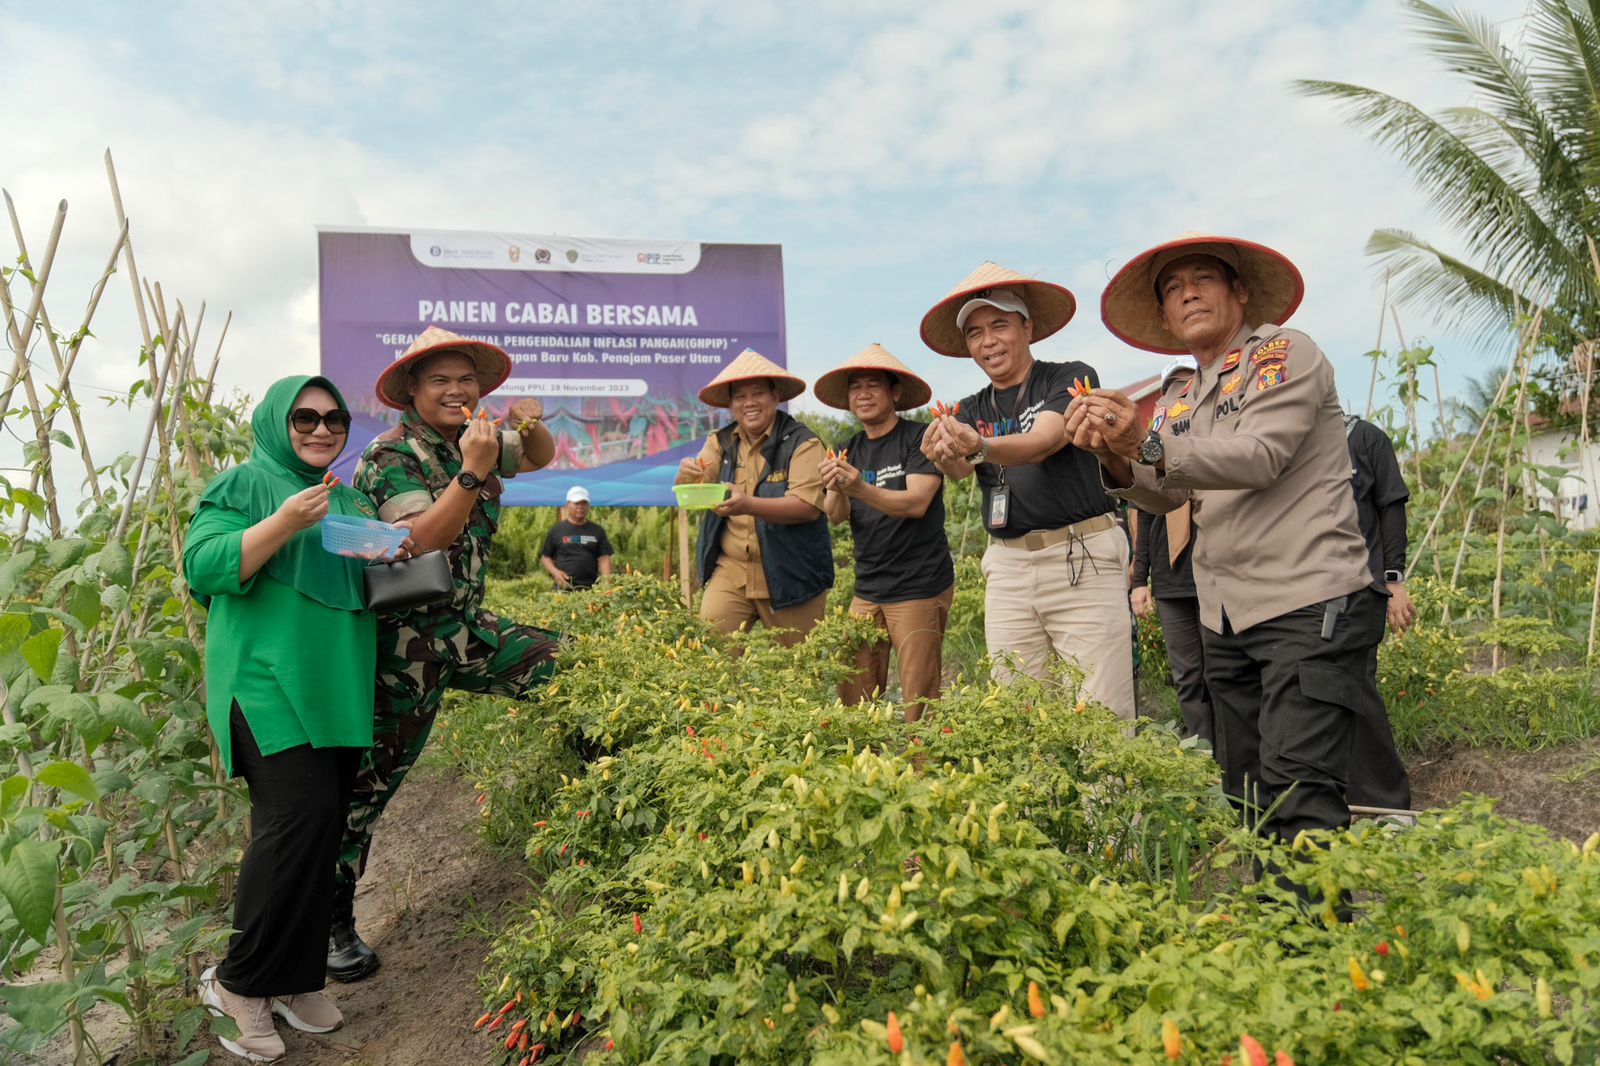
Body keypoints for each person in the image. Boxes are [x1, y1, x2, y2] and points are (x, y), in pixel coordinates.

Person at [1071, 233, 1395, 850]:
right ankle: (1273, 931)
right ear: (1166, 316)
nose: (1187, 292)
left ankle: (1313, 937)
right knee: (1246, 791)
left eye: (1202, 279)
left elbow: (1260, 456)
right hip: (1223, 614)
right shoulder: (1178, 398)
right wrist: (1116, 458)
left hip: (1307, 601)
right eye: (1172, 288)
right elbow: (1164, 494)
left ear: (1239, 291)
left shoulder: (1283, 354)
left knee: (1298, 791)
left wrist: (1139, 443)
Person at [332, 327, 560, 981]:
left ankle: (593, 789)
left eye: (466, 379)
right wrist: (472, 474)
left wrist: (531, 425)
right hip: (406, 647)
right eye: (440, 380)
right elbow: (418, 542)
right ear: (412, 391)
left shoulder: (479, 437)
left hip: (466, 627)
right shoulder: (391, 456)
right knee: (367, 789)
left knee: (570, 665)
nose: (457, 390)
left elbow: (538, 456)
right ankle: (331, 923)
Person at [185, 376, 400, 1060]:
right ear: (278, 421)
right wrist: (284, 521)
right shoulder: (242, 485)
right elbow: (203, 565)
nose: (321, 428)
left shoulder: (350, 496)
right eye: (305, 416)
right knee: (294, 823)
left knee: (320, 831)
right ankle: (238, 981)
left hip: (332, 686)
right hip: (265, 684)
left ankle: (292, 977)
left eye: (335, 417)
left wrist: (384, 551)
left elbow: (361, 581)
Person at [917, 262, 1135, 717]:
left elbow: (1044, 441)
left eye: (1000, 324)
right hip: (1009, 564)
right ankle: (1039, 792)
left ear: (1028, 328)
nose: (988, 341)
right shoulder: (969, 406)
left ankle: (1108, 792)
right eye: (975, 333)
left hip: (1081, 554)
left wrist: (979, 444)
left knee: (1102, 712)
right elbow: (958, 470)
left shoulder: (1068, 377)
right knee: (1019, 710)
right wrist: (944, 450)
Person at [814, 344, 955, 721]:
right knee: (853, 691)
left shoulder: (917, 438)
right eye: (855, 386)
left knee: (920, 701)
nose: (862, 393)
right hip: (868, 588)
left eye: (873, 385)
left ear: (895, 393)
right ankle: (865, 773)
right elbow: (836, 515)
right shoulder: (847, 448)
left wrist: (860, 488)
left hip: (918, 586)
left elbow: (916, 503)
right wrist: (836, 488)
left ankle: (926, 773)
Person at [675, 348, 832, 646]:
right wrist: (685, 475)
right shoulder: (720, 441)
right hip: (731, 569)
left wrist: (747, 504)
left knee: (798, 670)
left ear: (775, 396)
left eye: (758, 393)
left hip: (792, 570)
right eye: (739, 397)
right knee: (710, 656)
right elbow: (696, 486)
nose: (749, 403)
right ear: (731, 405)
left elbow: (807, 507)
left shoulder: (803, 442)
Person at [1129, 356, 1213, 743]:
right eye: (1172, 390)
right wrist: (1139, 579)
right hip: (1171, 577)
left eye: (1187, 386)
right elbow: (1144, 517)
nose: (1179, 396)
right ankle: (1204, 751)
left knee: (1224, 669)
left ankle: (1235, 756)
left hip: (1215, 570)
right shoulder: (1152, 452)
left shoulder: (1216, 444)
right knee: (1187, 674)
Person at [1344, 414, 1416, 810]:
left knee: (1356, 688)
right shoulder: (1291, 438)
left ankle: (1386, 804)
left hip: (1362, 586)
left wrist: (1393, 581)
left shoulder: (1366, 438)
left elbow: (1391, 506)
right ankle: (1346, 798)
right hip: (1305, 591)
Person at [541, 485, 614, 590]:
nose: (580, 507)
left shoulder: (597, 531)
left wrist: (607, 583)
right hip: (563, 588)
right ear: (568, 505)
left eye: (584, 503)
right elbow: (546, 557)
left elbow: (604, 558)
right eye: (576, 503)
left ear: (588, 506)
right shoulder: (556, 530)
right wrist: (555, 572)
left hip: (591, 589)